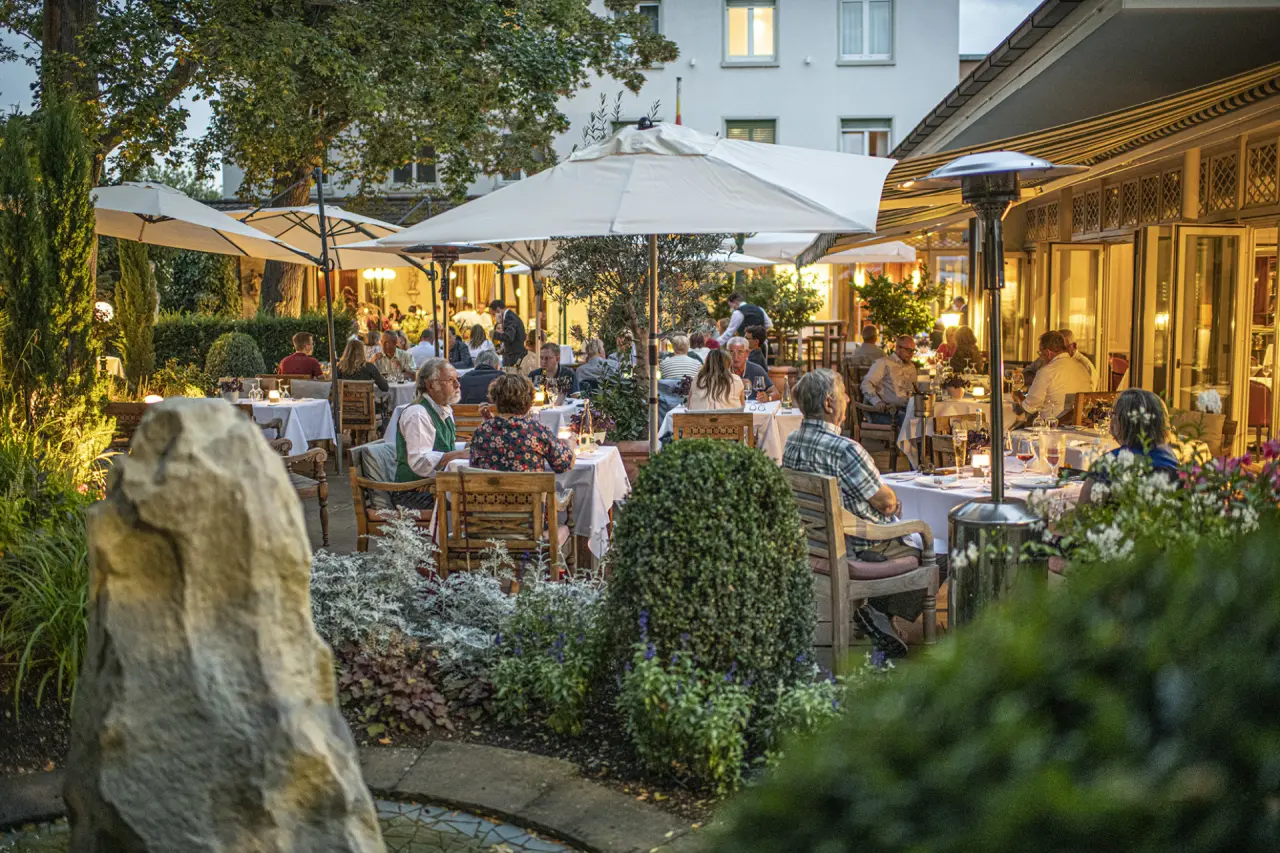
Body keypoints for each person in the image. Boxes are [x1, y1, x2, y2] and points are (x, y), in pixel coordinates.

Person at [782, 369, 924, 658]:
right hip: (861, 546)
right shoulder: (845, 449)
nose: (848, 398)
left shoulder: (792, 441)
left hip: (813, 544)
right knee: (938, 553)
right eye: (844, 393)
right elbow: (885, 503)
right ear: (828, 404)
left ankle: (879, 614)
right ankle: (879, 612)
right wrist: (894, 503)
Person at [1080, 388, 1180, 505]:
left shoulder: (1109, 464)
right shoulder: (1171, 458)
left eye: (1113, 414)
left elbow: (1082, 515)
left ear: (1122, 422)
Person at [393, 358, 469, 508]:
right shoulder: (418, 414)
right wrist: (459, 454)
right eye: (450, 380)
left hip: (434, 487)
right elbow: (420, 461)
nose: (457, 385)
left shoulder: (442, 408)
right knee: (471, 504)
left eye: (457, 379)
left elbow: (442, 445)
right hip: (412, 493)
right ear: (429, 385)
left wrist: (468, 446)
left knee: (477, 496)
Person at [468, 373, 576, 474]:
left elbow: (474, 466)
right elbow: (564, 464)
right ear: (529, 402)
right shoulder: (536, 430)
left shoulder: (482, 431)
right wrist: (570, 445)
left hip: (490, 494)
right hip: (530, 494)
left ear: (495, 399)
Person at [1015, 330, 1093, 424]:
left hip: (1051, 428)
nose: (1041, 357)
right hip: (1078, 426)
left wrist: (1016, 398)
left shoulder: (1047, 371)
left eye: (1040, 353)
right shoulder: (1082, 368)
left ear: (1047, 352)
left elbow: (1029, 407)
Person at [861, 335, 919, 428]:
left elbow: (915, 390)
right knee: (911, 423)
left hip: (906, 411)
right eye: (908, 350)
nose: (911, 354)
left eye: (913, 350)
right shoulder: (883, 363)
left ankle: (922, 442)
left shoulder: (911, 367)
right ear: (898, 348)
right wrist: (877, 401)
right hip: (884, 413)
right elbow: (866, 384)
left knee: (926, 419)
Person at [726, 336, 778, 402]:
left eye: (740, 352)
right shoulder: (722, 370)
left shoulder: (756, 370)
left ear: (747, 353)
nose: (736, 357)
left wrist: (768, 398)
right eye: (732, 352)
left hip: (753, 410)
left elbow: (776, 394)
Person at [489, 299, 527, 368]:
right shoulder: (510, 316)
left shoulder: (509, 317)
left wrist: (494, 334)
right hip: (513, 354)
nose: (494, 317)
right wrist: (504, 349)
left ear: (498, 310)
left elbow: (509, 337)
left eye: (493, 314)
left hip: (514, 356)